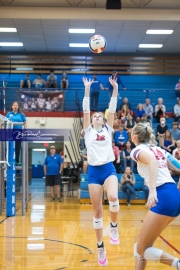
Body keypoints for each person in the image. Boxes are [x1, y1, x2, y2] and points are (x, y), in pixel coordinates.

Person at [130, 122, 180, 270]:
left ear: (134, 136)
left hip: (162, 195)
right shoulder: (160, 150)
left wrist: (152, 190)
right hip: (173, 196)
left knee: (141, 248)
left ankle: (177, 264)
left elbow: (152, 162)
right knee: (140, 242)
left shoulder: (137, 150)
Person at [82, 77, 119, 266]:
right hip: (94, 172)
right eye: (94, 116)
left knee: (113, 197)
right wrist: (87, 89)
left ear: (103, 120)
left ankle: (113, 226)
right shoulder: (87, 131)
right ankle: (100, 247)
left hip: (108, 168)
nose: (96, 117)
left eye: (99, 116)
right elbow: (86, 109)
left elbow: (112, 108)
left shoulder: (108, 129)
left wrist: (115, 90)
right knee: (97, 213)